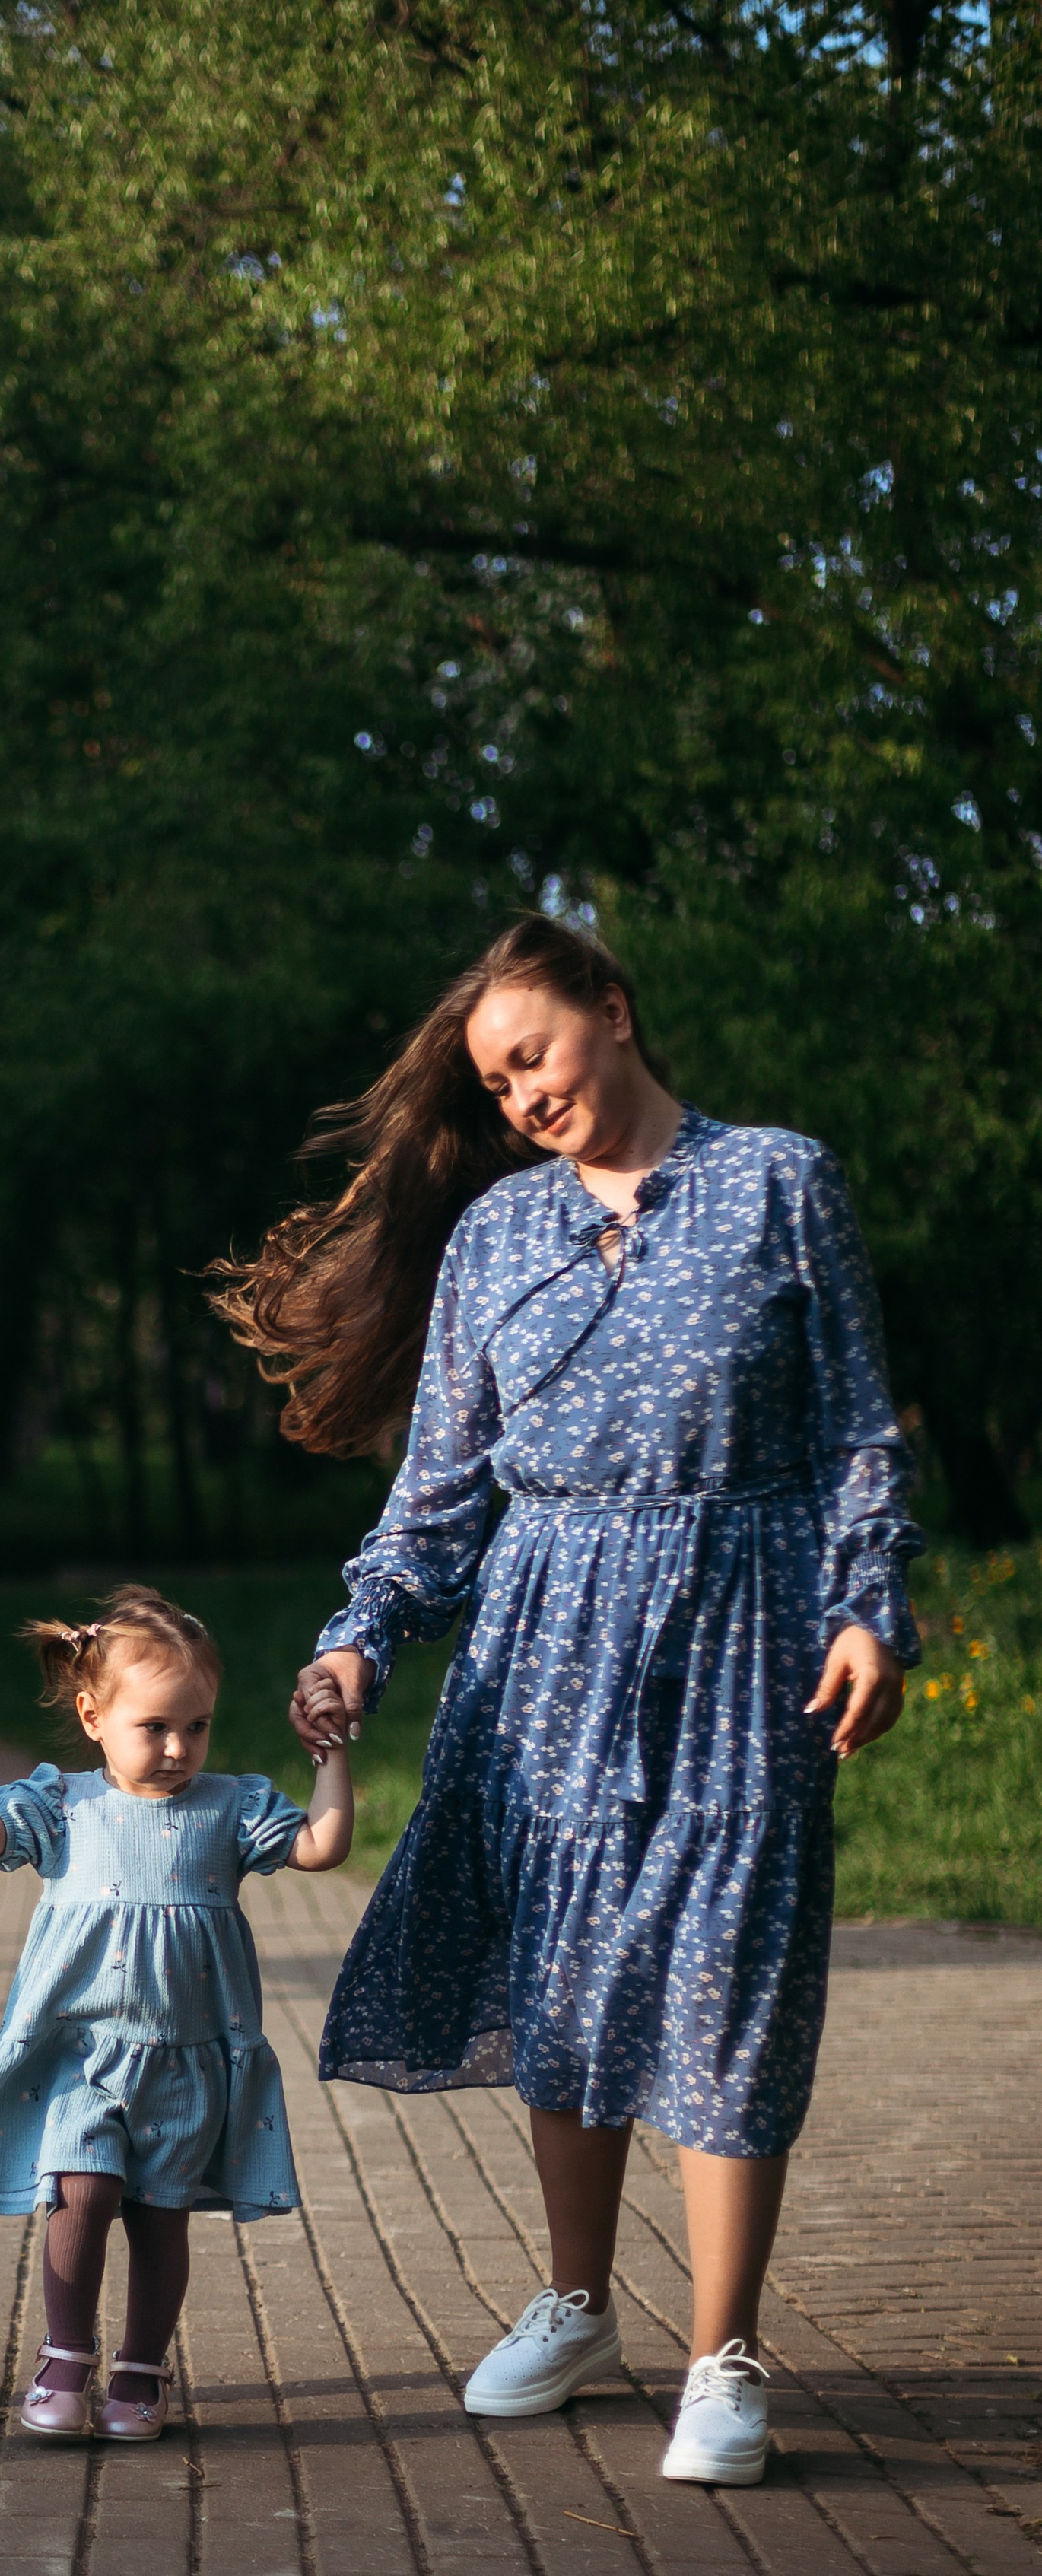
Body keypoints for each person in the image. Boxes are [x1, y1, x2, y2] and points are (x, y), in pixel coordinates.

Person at [214, 917, 920, 2489]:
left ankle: (723, 2356)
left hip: (744, 1627)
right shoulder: (496, 1235)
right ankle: (580, 2304)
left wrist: (868, 1606)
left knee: (729, 1969)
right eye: (494, 1082)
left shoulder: (776, 1181)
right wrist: (359, 1640)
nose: (521, 1096)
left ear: (612, 1007)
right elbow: (439, 1489)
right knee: (567, 1978)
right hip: (542, 1646)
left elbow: (856, 1432)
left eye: (530, 1055)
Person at [0, 1585, 353, 2441]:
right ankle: (65, 2359)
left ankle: (141, 2372)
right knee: (84, 2187)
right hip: (82, 2053)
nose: (178, 1747)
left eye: (197, 1726)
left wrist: (330, 1758)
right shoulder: (63, 1805)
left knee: (161, 2216)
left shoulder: (231, 1805)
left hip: (186, 2058)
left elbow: (322, 1848)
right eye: (154, 1727)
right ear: (93, 1716)